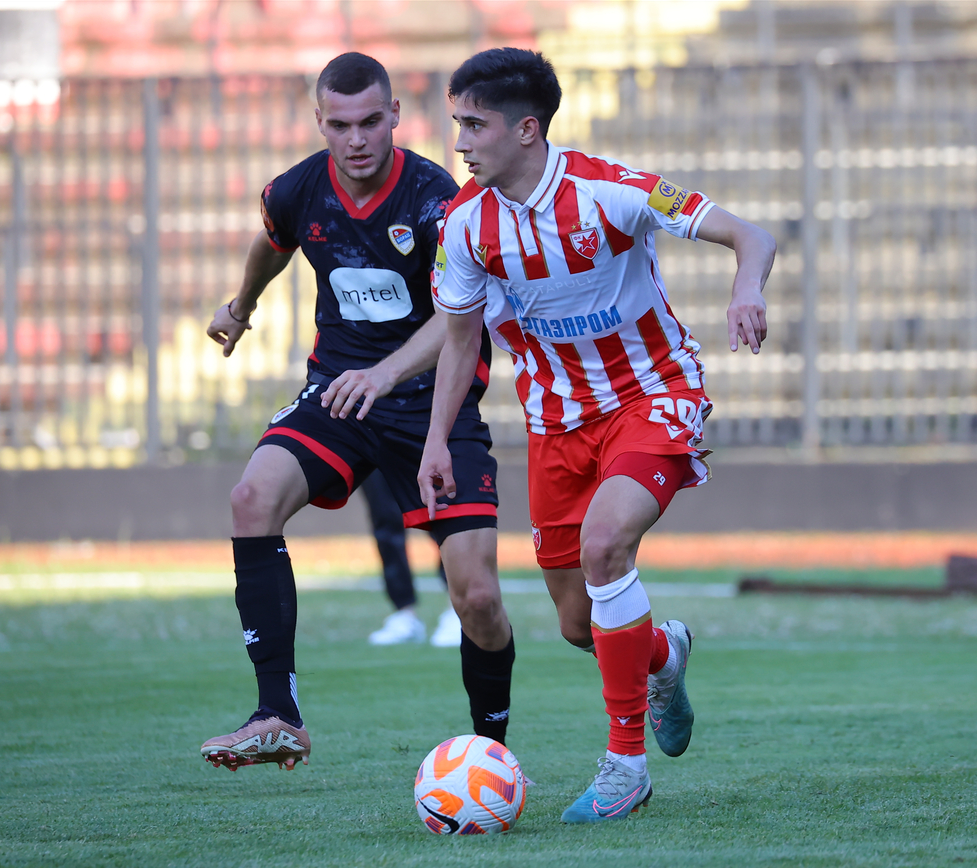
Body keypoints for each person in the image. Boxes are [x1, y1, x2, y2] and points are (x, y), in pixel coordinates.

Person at [418, 48, 775, 823]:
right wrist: (436, 439)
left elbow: (753, 235)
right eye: (456, 124)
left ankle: (624, 766)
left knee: (606, 544)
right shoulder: (465, 226)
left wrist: (746, 288)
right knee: (581, 623)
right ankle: (663, 657)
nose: (460, 143)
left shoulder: (611, 190)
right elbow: (457, 339)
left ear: (526, 128)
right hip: (555, 425)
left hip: (652, 394)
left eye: (473, 125)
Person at [202, 52, 514, 773]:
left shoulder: (440, 200)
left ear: (396, 116)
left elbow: (458, 318)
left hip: (433, 402)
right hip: (341, 392)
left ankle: (489, 755)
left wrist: (386, 372)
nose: (357, 139)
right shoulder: (298, 189)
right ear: (321, 123)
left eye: (372, 121)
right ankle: (277, 712)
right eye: (340, 125)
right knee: (251, 498)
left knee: (478, 596)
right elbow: (273, 243)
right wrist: (241, 306)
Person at [361, 469, 462, 647]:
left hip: (422, 442)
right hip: (376, 444)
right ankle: (405, 614)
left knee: (440, 512)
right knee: (385, 520)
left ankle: (457, 609)